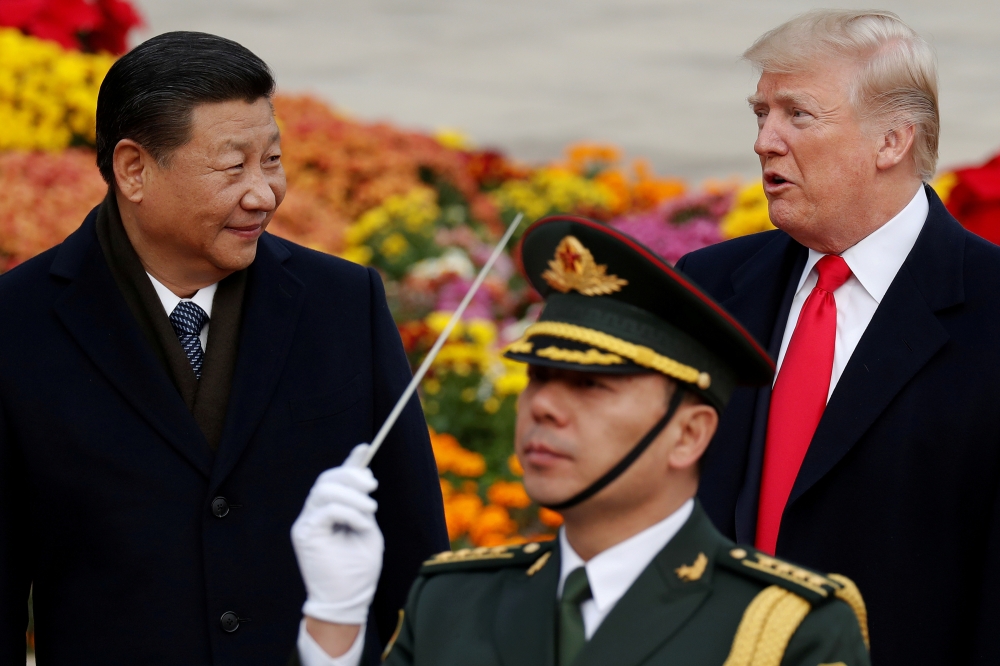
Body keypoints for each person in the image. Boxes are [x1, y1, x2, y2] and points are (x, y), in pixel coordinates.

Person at [0, 32, 447, 666]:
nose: (264, 193)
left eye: (272, 160)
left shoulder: (343, 304)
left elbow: (416, 549)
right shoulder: (18, 324)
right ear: (134, 169)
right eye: (232, 166)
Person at [289, 216, 871, 666]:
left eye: (591, 386)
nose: (543, 405)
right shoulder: (452, 601)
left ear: (689, 434)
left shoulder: (785, 627)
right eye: (539, 377)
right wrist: (334, 627)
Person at [672, 10, 1000, 666]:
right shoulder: (706, 286)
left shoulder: (991, 309)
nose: (765, 140)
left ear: (892, 142)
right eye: (760, 113)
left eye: (797, 115)